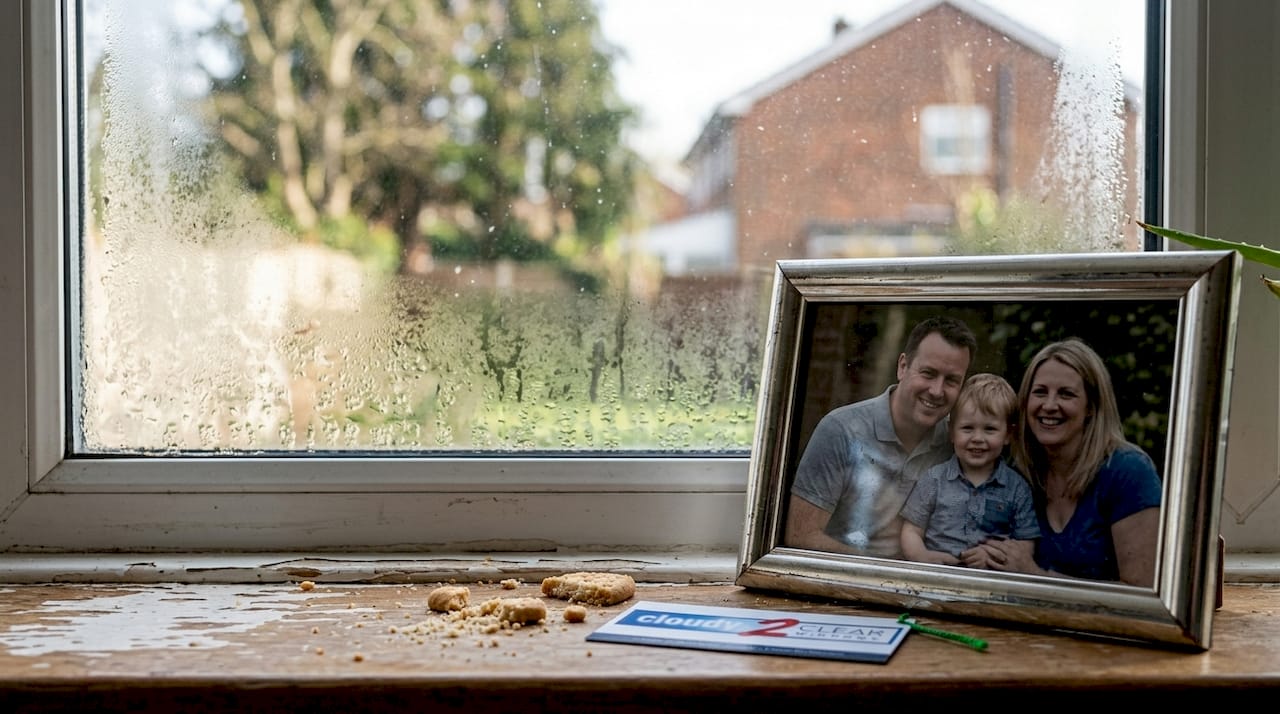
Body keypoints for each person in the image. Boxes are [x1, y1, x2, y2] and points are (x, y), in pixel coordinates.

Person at [784, 315, 978, 558]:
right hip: (843, 576)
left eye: (951, 380)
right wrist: (887, 570)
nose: (937, 391)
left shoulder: (957, 443)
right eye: (928, 373)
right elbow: (800, 536)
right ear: (903, 367)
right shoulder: (841, 430)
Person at [977, 338, 1162, 587]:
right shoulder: (1016, 475)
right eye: (1040, 392)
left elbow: (1142, 593)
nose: (1049, 405)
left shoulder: (1129, 472)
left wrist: (1035, 575)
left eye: (1066, 394)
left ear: (1091, 407)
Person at [899, 373, 1039, 566]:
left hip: (991, 581)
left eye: (989, 429)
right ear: (951, 431)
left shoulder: (1017, 488)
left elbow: (1026, 543)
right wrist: (923, 556)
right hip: (936, 577)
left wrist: (995, 556)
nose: (977, 438)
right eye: (967, 428)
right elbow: (911, 530)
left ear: (1008, 434)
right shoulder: (934, 479)